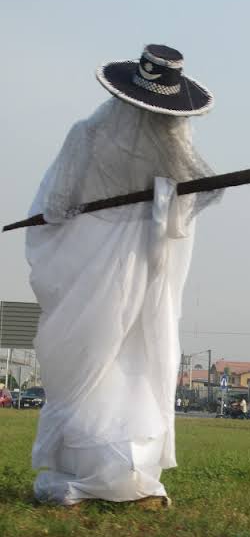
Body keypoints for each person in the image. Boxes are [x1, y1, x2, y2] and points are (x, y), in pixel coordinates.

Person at [27, 44, 221, 506]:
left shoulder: (175, 144)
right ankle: (88, 470)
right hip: (89, 270)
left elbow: (178, 216)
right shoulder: (89, 136)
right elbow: (57, 208)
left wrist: (150, 212)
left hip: (147, 269)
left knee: (138, 357)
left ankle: (132, 474)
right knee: (91, 358)